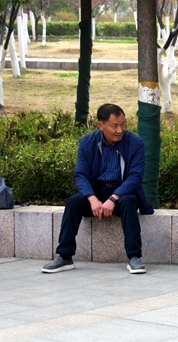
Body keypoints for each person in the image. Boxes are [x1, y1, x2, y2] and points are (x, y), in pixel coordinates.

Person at [42, 103, 153, 274]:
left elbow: (135, 177)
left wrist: (113, 198)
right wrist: (92, 199)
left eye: (123, 124)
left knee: (129, 202)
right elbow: (80, 174)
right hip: (95, 191)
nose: (120, 130)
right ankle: (64, 256)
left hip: (122, 192)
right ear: (100, 125)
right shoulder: (87, 142)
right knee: (74, 202)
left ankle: (134, 257)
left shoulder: (135, 143)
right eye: (114, 126)